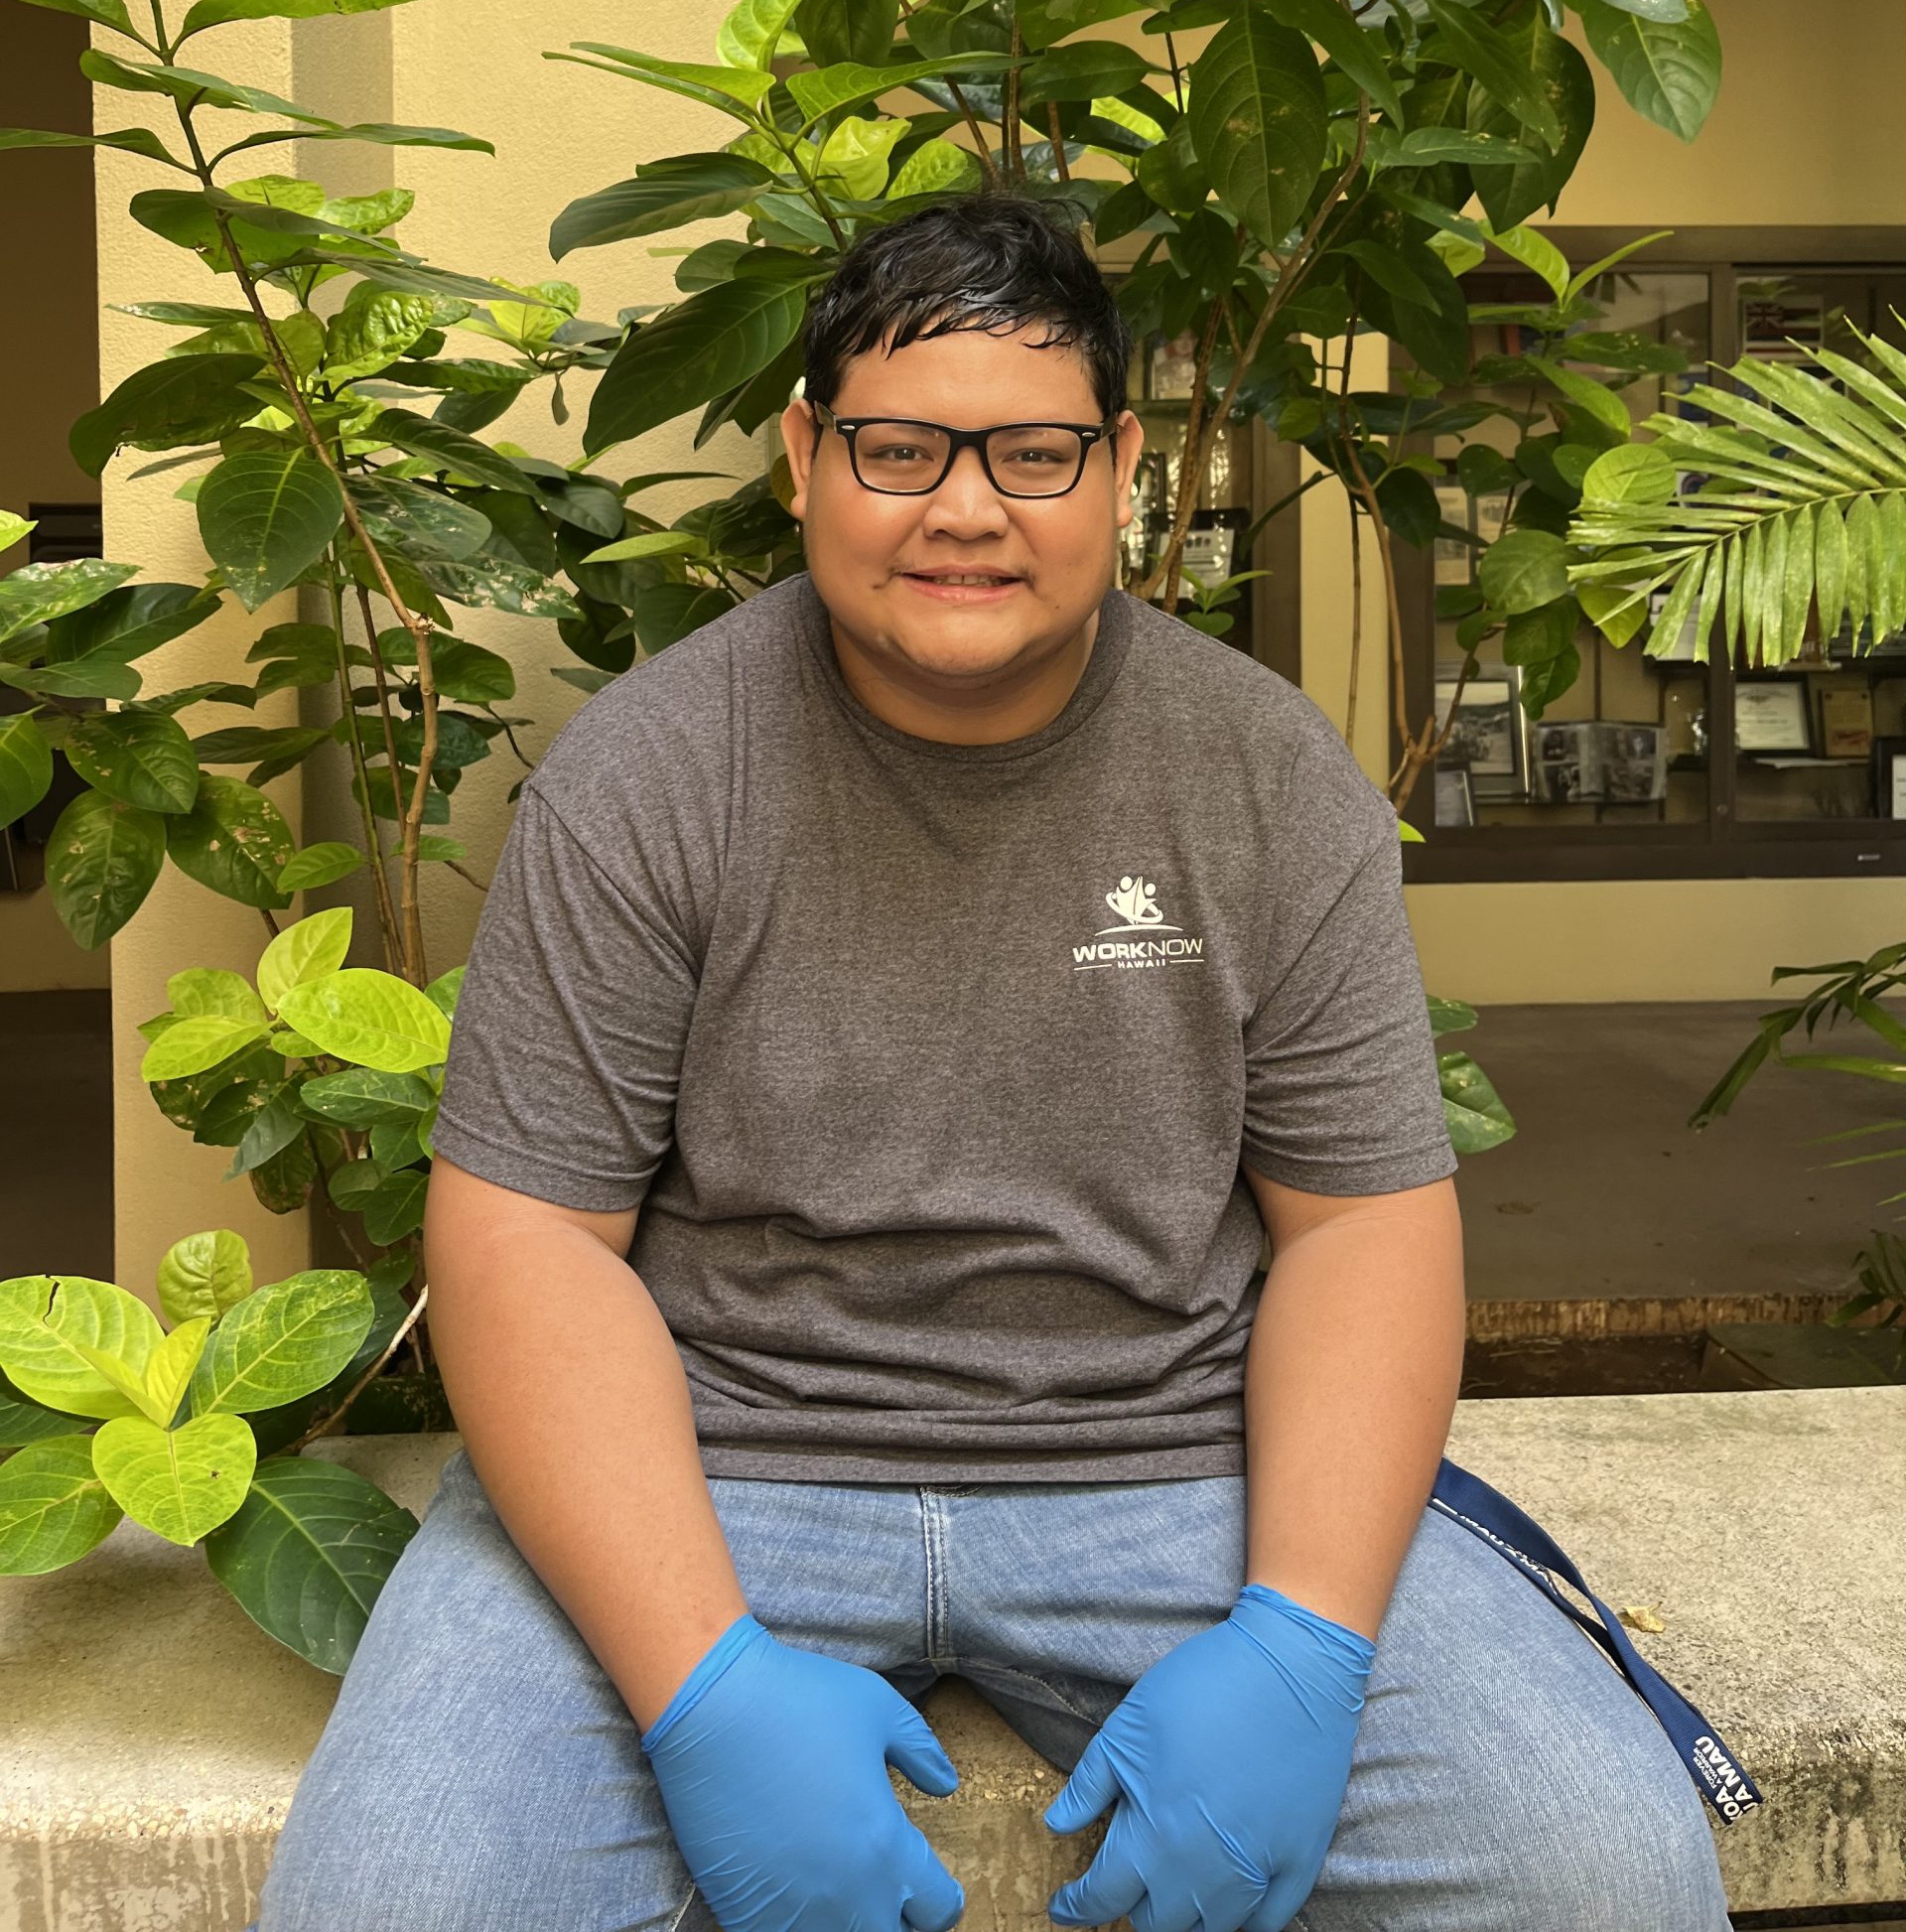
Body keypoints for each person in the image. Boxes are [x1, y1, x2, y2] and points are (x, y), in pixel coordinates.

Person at [255, 198, 1728, 1932]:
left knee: (1601, 1871)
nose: (965, 509)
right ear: (806, 455)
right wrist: (701, 1684)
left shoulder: (1259, 773)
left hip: (1173, 1462)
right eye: (899, 448)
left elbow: (1361, 1228)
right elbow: (524, 1243)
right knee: (394, 1903)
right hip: (720, 1462)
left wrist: (1308, 1642)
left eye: (1032, 452)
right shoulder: (650, 774)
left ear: (1120, 469)